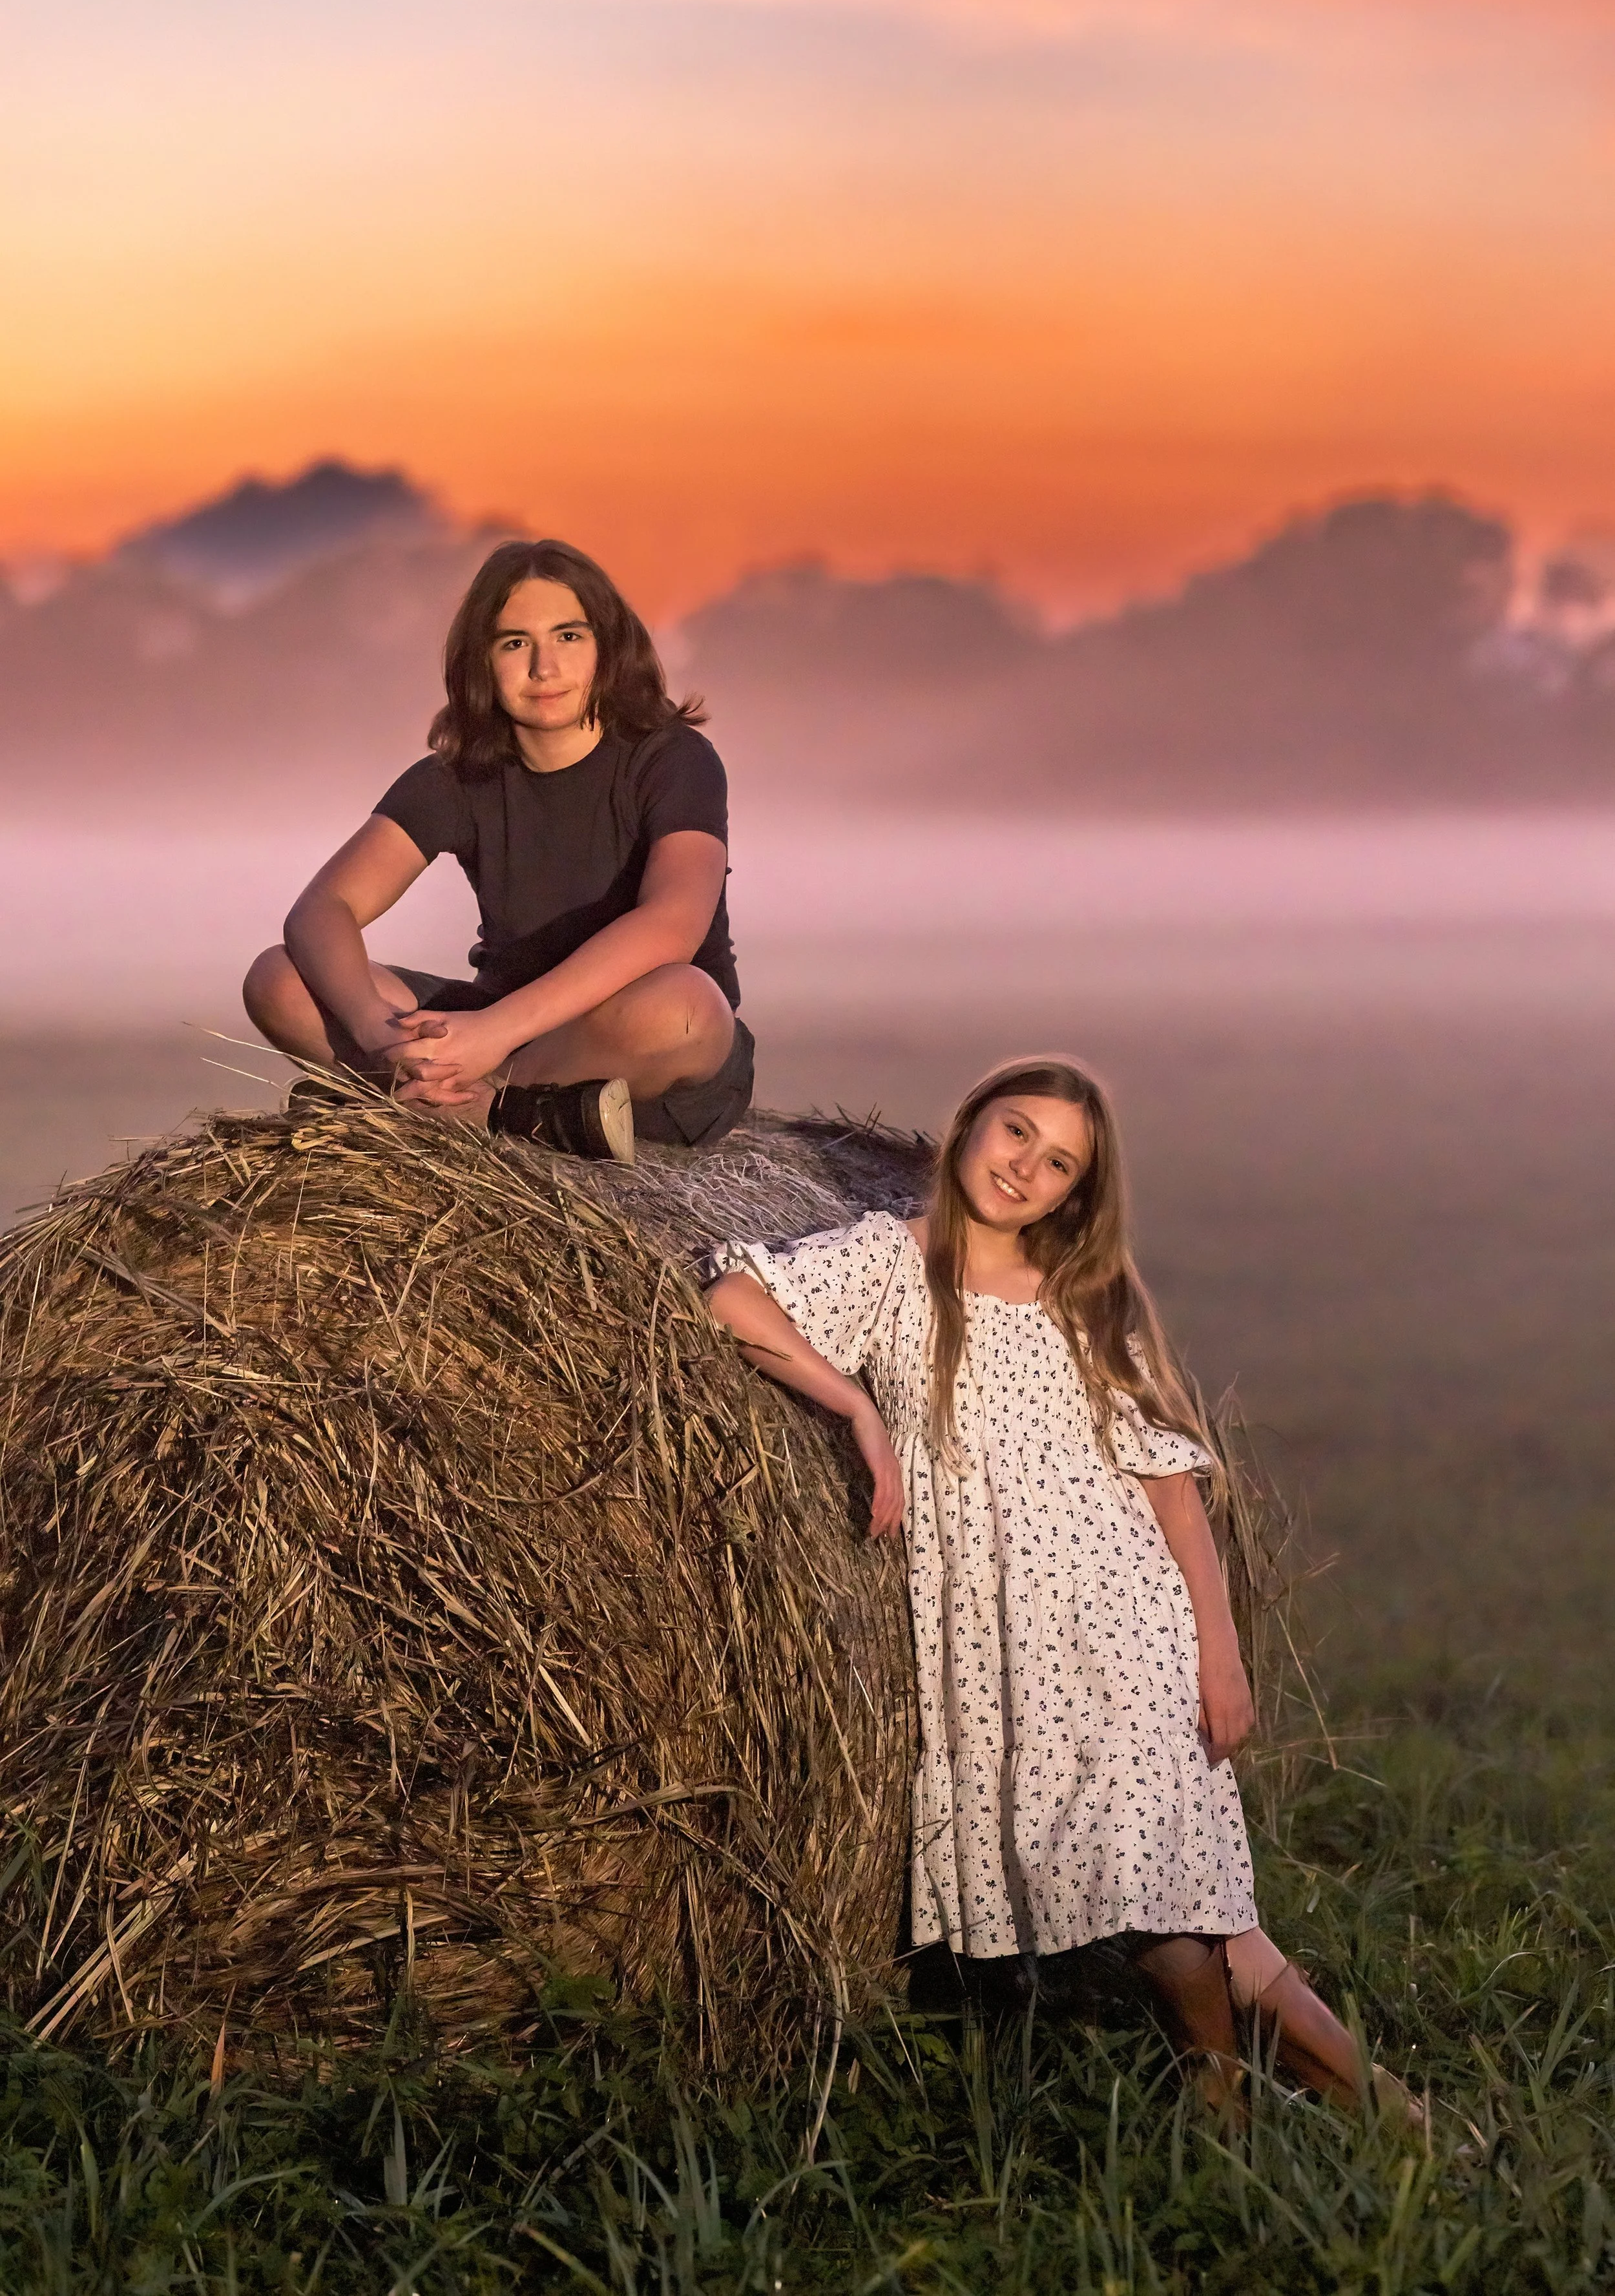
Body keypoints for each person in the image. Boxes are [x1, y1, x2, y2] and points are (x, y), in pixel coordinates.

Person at [702, 1058, 1419, 2118]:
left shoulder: (1086, 1297)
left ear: (1077, 1192)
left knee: (1176, 1892)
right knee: (1192, 1906)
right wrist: (850, 1406)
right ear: (967, 1128)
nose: (1025, 1166)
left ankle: (1312, 2114)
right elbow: (732, 1297)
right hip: (1003, 1632)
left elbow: (1169, 1490)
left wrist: (1218, 1648)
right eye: (1015, 1132)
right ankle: (1316, 2114)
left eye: (1059, 1162)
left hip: (1125, 1612)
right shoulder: (891, 1264)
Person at [244, 538, 752, 1163]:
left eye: (569, 636)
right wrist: (378, 1032)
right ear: (481, 662)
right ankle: (499, 1107)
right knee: (278, 976)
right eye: (515, 643)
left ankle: (467, 1105)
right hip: (494, 1024)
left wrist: (494, 1035)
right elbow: (322, 909)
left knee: (685, 1008)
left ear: (609, 647)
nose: (544, 667)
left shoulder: (673, 760)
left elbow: (673, 925)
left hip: (627, 1037)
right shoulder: (456, 778)